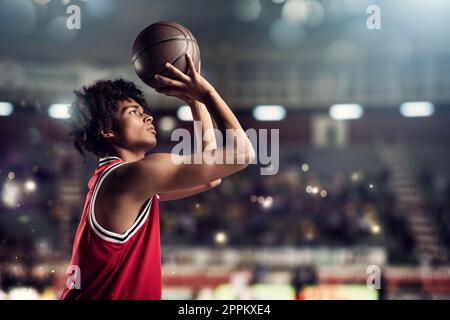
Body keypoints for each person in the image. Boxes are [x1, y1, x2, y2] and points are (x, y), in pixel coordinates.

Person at [60, 53, 255, 300]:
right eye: (133, 112)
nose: (148, 116)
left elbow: (209, 179)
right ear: (107, 130)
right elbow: (241, 154)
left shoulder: (124, 181)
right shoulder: (131, 176)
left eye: (144, 111)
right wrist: (206, 93)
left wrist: (196, 103)